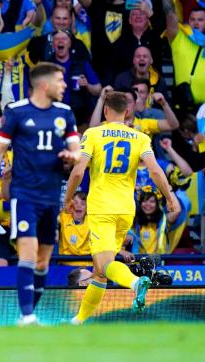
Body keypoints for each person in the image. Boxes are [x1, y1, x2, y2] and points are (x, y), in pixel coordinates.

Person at [0, 62, 81, 325]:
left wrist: (72, 155)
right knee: (27, 251)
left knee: (42, 261)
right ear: (44, 85)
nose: (65, 85)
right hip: (24, 194)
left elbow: (77, 149)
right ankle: (27, 316)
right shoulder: (16, 112)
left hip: (51, 197)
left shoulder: (65, 112)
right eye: (60, 81)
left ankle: (27, 314)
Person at [65, 91, 179, 323]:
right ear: (127, 111)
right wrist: (169, 197)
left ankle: (136, 283)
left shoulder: (93, 134)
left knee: (105, 264)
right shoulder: (140, 138)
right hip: (126, 210)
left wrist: (67, 199)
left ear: (106, 111)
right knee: (99, 272)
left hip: (101, 209)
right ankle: (78, 321)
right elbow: (155, 171)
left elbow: (77, 172)